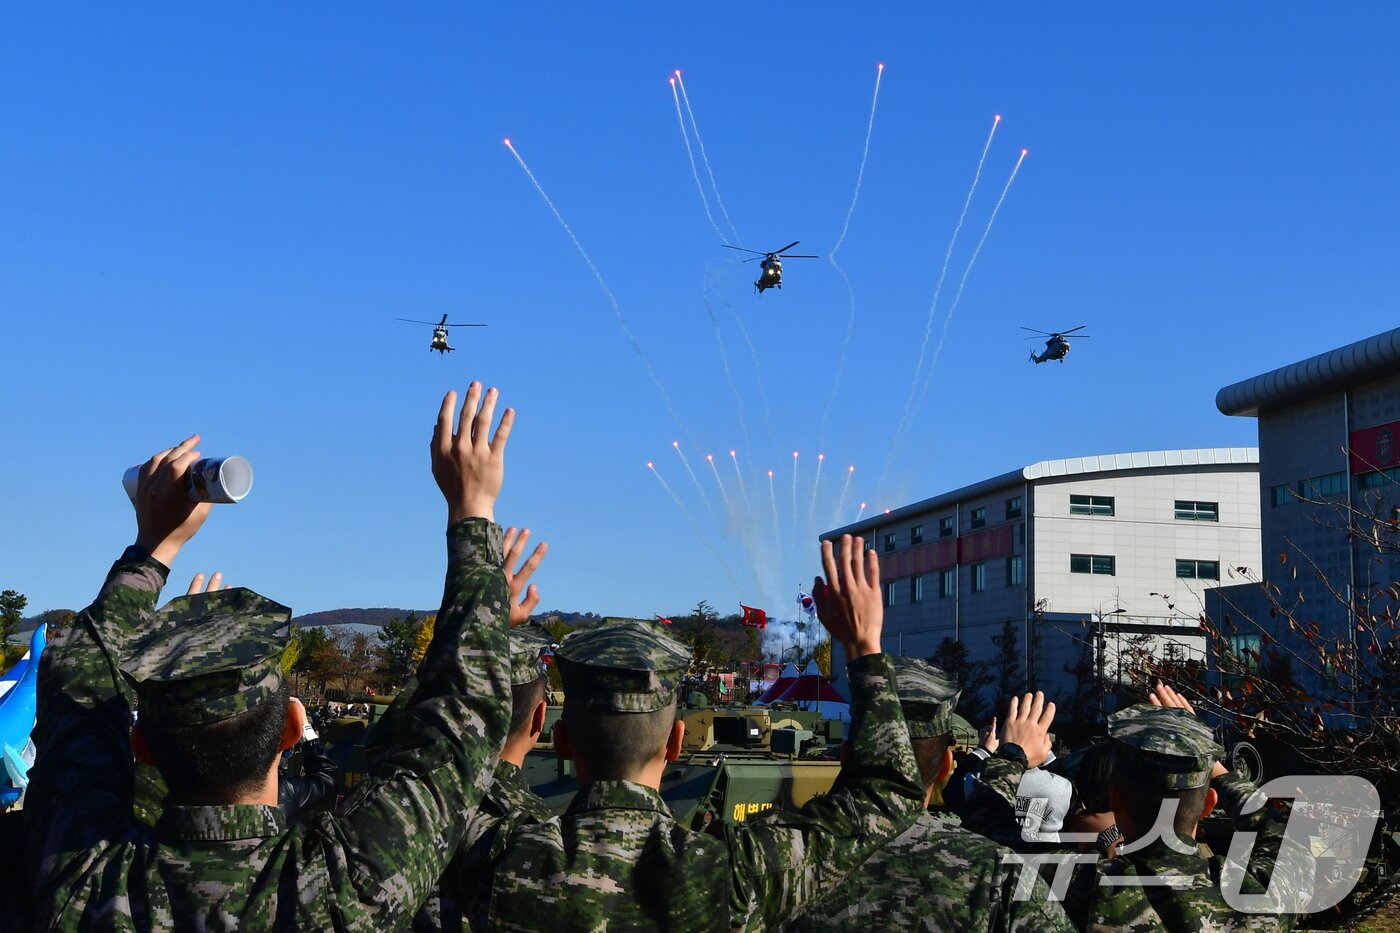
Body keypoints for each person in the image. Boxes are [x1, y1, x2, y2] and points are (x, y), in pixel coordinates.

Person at [26, 382, 518, 929]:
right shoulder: (342, 890)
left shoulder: (85, 883)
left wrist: (153, 549)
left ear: (141, 746)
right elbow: (461, 719)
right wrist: (473, 513)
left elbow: (78, 677)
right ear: (290, 726)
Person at [479, 533, 927, 930]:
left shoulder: (500, 859)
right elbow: (888, 794)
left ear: (559, 739)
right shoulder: (726, 874)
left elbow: (431, 765)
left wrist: (482, 632)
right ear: (675, 742)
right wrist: (864, 648)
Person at [784, 657, 1074, 932]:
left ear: (845, 755)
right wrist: (1011, 758)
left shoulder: (783, 856)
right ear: (946, 764)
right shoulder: (998, 876)